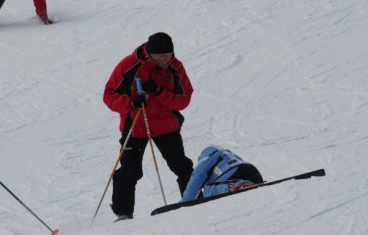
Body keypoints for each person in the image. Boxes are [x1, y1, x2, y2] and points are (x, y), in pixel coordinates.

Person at [103, 32, 194, 221]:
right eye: (163, 56)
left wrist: (159, 92)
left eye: (170, 54)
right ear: (150, 53)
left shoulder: (175, 67)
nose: (167, 59)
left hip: (166, 126)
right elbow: (109, 96)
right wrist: (131, 103)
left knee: (182, 166)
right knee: (129, 171)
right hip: (135, 127)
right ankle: (123, 214)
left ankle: (194, 200)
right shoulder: (128, 66)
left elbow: (183, 100)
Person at [180, 146, 264, 203]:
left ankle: (238, 185)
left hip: (235, 172)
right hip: (252, 172)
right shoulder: (228, 155)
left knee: (208, 190)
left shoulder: (208, 155)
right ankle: (246, 183)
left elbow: (197, 177)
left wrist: (185, 202)